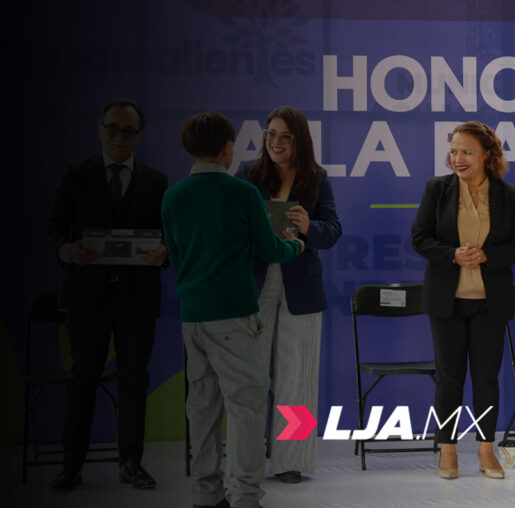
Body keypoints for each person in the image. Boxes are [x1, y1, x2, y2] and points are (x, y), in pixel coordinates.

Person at [162, 111, 304, 508]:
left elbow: (175, 255)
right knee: (246, 407)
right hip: (235, 314)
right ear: (227, 148)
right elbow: (272, 249)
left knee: (202, 406)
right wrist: (297, 246)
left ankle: (205, 494)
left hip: (193, 316)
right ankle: (244, 496)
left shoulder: (172, 196)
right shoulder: (243, 194)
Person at [47, 98, 168, 492]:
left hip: (138, 299)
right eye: (112, 128)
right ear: (100, 129)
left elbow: (169, 239)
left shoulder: (156, 180)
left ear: (139, 136)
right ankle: (71, 466)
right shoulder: (76, 173)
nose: (119, 137)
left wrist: (165, 253)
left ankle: (131, 464)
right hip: (87, 298)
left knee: (135, 382)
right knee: (82, 381)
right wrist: (70, 252)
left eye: (128, 131)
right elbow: (54, 230)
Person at [412, 121, 515, 479]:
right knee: (449, 378)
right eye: (453, 151)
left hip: (489, 302)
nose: (457, 159)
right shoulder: (437, 189)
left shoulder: (507, 194)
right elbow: (420, 237)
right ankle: (447, 450)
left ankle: (485, 450)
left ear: (487, 156)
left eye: (466, 152)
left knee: (486, 379)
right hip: (447, 301)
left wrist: (486, 256)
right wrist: (452, 255)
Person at [234, 106, 341, 483]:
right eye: (269, 134)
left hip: (302, 287)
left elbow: (333, 230)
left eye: (284, 136)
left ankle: (290, 460)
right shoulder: (248, 174)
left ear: (300, 140)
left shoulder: (317, 178)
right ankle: (244, 459)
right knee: (249, 376)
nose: (275, 143)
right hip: (255, 283)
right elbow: (230, 224)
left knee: (298, 377)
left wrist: (310, 226)